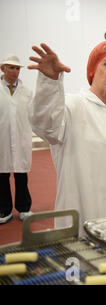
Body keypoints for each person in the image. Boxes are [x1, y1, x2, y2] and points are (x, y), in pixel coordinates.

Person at [28, 42, 106, 235]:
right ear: (92, 71)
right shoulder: (74, 106)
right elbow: (45, 124)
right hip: (88, 216)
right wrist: (50, 81)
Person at [0, 54, 33, 224]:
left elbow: (33, 115)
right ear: (2, 68)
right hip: (2, 141)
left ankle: (24, 208)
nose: (15, 71)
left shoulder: (27, 92)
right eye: (11, 67)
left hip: (20, 139)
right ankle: (4, 210)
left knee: (21, 176)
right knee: (2, 177)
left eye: (17, 68)